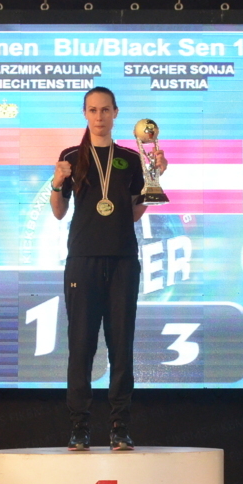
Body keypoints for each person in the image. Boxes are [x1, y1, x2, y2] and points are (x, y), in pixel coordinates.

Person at [51, 87, 166, 451]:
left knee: (121, 344)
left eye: (105, 110)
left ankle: (119, 426)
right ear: (85, 114)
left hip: (122, 260)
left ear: (116, 113)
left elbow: (133, 214)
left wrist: (154, 179)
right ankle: (79, 427)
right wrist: (56, 182)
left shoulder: (131, 159)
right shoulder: (71, 157)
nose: (99, 116)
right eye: (92, 110)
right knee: (81, 344)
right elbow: (58, 211)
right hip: (82, 260)